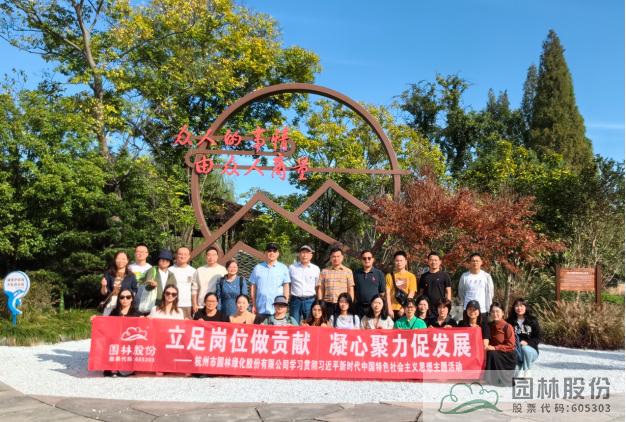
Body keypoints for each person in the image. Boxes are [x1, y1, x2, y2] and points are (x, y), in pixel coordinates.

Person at [104, 288, 141, 377]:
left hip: (130, 345)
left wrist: (146, 320)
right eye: (122, 297)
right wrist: (96, 319)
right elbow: (106, 323)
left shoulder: (137, 313)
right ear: (119, 299)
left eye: (128, 297)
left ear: (132, 299)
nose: (125, 299)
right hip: (115, 343)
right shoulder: (114, 311)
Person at [249, 243, 290, 323]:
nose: (272, 253)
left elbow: (286, 287)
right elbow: (253, 287)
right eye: (269, 251)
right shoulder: (257, 268)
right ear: (265, 253)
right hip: (261, 308)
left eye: (274, 251)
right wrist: (254, 304)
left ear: (278, 254)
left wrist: (285, 304)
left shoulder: (283, 268)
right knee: (260, 330)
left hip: (277, 310)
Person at [506, 298, 541, 376]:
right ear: (513, 308)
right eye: (517, 306)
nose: (519, 308)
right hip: (516, 350)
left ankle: (526, 370)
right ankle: (520, 367)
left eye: (521, 306)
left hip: (530, 351)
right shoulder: (509, 321)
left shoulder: (532, 321)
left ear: (526, 307)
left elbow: (538, 338)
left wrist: (527, 342)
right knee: (513, 351)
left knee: (525, 348)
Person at [485, 302, 517, 386]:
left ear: (502, 313)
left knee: (492, 353)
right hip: (494, 351)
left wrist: (496, 348)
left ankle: (497, 380)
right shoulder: (489, 326)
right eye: (493, 311)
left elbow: (511, 345)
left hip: (507, 354)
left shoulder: (507, 326)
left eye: (497, 311)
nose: (495, 314)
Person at [316, 246, 355, 316]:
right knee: (328, 322)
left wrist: (350, 304)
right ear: (330, 258)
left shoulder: (348, 271)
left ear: (342, 257)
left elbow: (350, 289)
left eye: (338, 256)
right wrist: (320, 302)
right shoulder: (324, 271)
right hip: (327, 304)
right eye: (333, 256)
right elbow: (320, 289)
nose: (336, 258)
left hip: (342, 305)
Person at [288, 245, 321, 324]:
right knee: (294, 323)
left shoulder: (316, 269)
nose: (305, 255)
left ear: (311, 255)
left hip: (310, 300)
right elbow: (289, 284)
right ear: (299, 254)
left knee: (310, 323)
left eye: (307, 253)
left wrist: (318, 301)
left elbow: (317, 286)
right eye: (303, 252)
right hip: (295, 300)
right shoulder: (292, 267)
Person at [99, 251, 138, 316]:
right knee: (107, 321)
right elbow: (103, 293)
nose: (120, 261)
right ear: (115, 260)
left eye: (123, 259)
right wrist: (103, 286)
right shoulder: (108, 274)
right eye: (118, 258)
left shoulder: (131, 275)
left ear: (127, 260)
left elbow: (134, 290)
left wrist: (128, 299)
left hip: (124, 305)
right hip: (110, 304)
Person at [458, 253, 494, 320]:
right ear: (470, 263)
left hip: (482, 310)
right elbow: (461, 293)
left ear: (481, 262)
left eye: (477, 261)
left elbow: (490, 293)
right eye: (473, 261)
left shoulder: (486, 276)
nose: (475, 263)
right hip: (468, 310)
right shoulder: (464, 276)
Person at [192, 246, 226, 315]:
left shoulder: (223, 270)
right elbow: (194, 289)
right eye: (209, 255)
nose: (211, 257)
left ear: (217, 257)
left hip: (217, 306)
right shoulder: (199, 270)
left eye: (213, 255)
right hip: (201, 305)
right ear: (206, 257)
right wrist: (194, 304)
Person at [140, 249, 177, 314]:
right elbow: (146, 287)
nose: (164, 262)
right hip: (152, 304)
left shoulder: (171, 275)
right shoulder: (152, 270)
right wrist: (152, 285)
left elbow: (174, 290)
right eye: (162, 259)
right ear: (158, 260)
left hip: (166, 305)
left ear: (170, 262)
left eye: (167, 260)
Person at [354, 249, 386, 318]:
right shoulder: (356, 273)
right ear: (361, 260)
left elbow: (382, 293)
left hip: (373, 308)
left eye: (369, 258)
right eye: (364, 258)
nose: (367, 260)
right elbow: (354, 290)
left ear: (373, 259)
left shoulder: (379, 273)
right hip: (358, 308)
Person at [418, 252, 451, 317]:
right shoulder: (424, 276)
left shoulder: (445, 275)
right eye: (431, 260)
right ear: (428, 261)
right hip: (427, 309)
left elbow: (448, 292)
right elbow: (421, 292)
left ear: (440, 262)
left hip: (440, 308)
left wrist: (448, 306)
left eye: (436, 260)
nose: (433, 262)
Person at [385, 251, 417, 319]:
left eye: (401, 260)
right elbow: (387, 293)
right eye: (397, 261)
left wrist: (404, 308)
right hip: (392, 309)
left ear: (405, 262)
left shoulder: (411, 276)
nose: (399, 263)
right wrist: (389, 309)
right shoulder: (389, 276)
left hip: (406, 309)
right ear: (394, 262)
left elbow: (411, 294)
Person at [169, 247, 196, 319]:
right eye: (180, 254)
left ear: (189, 256)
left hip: (187, 304)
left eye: (185, 254)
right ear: (176, 255)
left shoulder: (193, 271)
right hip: (171, 303)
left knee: (187, 324)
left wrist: (194, 304)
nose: (183, 256)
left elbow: (195, 289)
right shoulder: (170, 270)